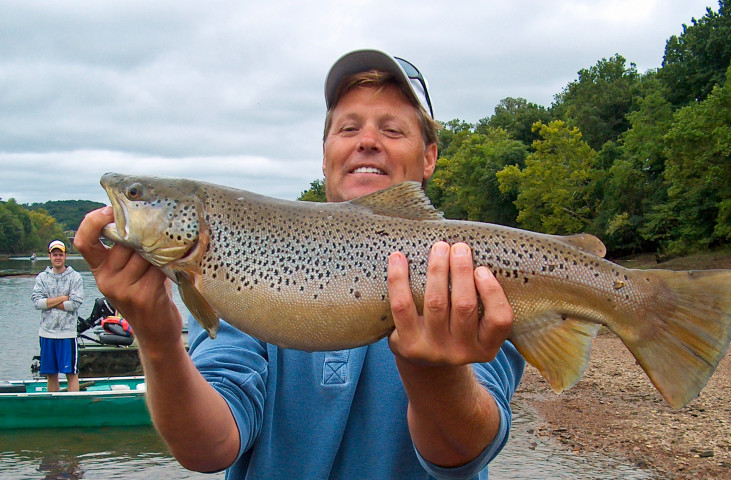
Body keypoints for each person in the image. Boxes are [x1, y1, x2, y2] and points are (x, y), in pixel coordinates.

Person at [74, 49, 525, 478]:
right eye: (348, 129)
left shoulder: (467, 268)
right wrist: (156, 337)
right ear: (324, 152)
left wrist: (434, 374)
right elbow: (207, 449)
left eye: (392, 130)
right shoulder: (238, 271)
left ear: (429, 157)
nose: (367, 141)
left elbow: (465, 454)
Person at [32, 239, 84, 392]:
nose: (57, 258)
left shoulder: (75, 277)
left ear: (65, 256)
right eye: (54, 255)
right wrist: (62, 298)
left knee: (71, 372)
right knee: (50, 373)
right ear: (50, 256)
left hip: (67, 333)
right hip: (46, 332)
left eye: (60, 254)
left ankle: (73, 405)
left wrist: (49, 302)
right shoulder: (42, 277)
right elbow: (37, 303)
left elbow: (74, 304)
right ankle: (52, 404)